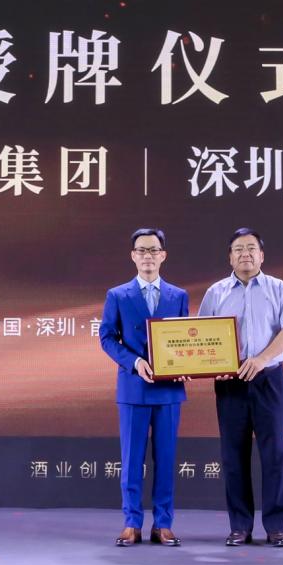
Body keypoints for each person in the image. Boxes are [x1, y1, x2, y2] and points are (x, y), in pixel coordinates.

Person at [198, 228, 283, 548]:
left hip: (269, 378)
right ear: (229, 257)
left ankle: (276, 527)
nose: (245, 254)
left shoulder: (278, 288)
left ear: (261, 255)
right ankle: (240, 526)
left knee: (275, 454)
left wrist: (262, 359)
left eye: (251, 248)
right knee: (233, 455)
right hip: (230, 383)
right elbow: (202, 335)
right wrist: (208, 366)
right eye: (238, 249)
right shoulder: (216, 292)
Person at [99, 228, 189, 547]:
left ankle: (163, 524)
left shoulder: (179, 295)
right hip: (134, 387)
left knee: (165, 459)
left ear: (163, 255)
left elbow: (184, 338)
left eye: (153, 250)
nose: (148, 256)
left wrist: (186, 366)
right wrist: (135, 362)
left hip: (168, 390)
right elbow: (107, 337)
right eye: (142, 250)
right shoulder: (117, 295)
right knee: (132, 460)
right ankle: (131, 522)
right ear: (133, 256)